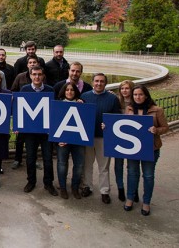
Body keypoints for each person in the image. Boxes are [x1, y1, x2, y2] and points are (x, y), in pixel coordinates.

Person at [124, 85, 169, 216]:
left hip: (151, 148)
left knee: (148, 176)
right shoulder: (129, 109)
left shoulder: (157, 110)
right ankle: (130, 198)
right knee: (132, 173)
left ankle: (146, 202)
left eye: (140, 94)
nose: (138, 97)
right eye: (135, 95)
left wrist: (156, 130)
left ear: (146, 95)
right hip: (133, 148)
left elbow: (165, 127)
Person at [80, 73, 122, 204]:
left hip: (103, 137)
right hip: (88, 136)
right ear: (92, 82)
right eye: (96, 81)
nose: (99, 83)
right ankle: (87, 186)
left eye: (102, 81)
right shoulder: (84, 96)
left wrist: (108, 125)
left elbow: (116, 118)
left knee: (103, 166)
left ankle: (104, 191)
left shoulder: (112, 98)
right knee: (87, 164)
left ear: (105, 83)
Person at [19, 66, 58, 197]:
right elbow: (21, 110)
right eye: (34, 74)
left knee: (48, 159)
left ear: (43, 76)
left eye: (39, 74)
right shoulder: (25, 89)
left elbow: (54, 111)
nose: (37, 77)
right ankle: (31, 181)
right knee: (30, 158)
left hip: (46, 132)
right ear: (30, 75)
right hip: (30, 132)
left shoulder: (50, 90)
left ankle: (48, 183)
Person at [10, 54, 40, 170]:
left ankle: (34, 159)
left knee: (34, 138)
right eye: (30, 63)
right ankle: (17, 159)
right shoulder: (20, 77)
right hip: (23, 111)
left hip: (36, 112)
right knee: (20, 138)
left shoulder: (41, 77)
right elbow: (13, 90)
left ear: (37, 64)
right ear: (27, 65)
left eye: (34, 62)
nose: (32, 64)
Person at [55, 83, 85, 199]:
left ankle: (75, 187)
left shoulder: (81, 104)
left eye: (72, 90)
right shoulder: (58, 104)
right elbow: (54, 123)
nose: (69, 92)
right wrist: (57, 140)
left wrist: (82, 106)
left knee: (79, 165)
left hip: (78, 140)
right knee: (62, 164)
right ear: (64, 91)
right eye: (67, 90)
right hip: (62, 141)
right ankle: (63, 187)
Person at [115, 80, 136, 202]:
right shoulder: (117, 101)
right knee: (118, 165)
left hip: (132, 138)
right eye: (122, 88)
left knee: (132, 167)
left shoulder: (137, 102)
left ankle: (132, 190)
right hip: (119, 138)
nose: (124, 91)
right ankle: (120, 188)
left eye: (127, 88)